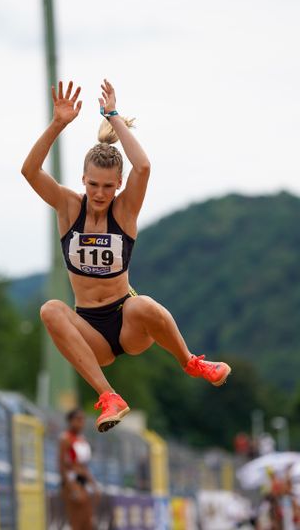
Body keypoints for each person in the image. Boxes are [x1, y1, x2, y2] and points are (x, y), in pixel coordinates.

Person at [21, 79, 231, 432]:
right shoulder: (68, 207)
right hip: (92, 331)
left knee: (143, 304)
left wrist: (113, 115)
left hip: (127, 321)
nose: (100, 193)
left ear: (118, 184)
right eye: (93, 184)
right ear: (83, 179)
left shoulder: (125, 211)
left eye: (107, 186)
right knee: (50, 310)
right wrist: (58, 124)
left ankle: (191, 362)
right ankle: (109, 397)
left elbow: (144, 166)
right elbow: (30, 171)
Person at [59, 408, 98, 530]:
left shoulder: (82, 439)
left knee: (88, 520)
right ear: (70, 421)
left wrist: (93, 483)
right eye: (78, 420)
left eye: (83, 420)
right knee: (76, 520)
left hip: (83, 479)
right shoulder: (65, 439)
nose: (81, 423)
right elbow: (62, 465)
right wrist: (71, 487)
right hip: (72, 479)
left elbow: (84, 465)